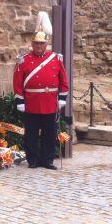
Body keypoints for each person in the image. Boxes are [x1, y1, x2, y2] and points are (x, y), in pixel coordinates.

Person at [13, 12, 69, 170]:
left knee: (49, 134)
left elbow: (63, 80)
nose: (39, 46)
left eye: (41, 44)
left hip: (50, 101)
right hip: (31, 102)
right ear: (32, 44)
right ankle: (33, 160)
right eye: (36, 44)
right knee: (31, 133)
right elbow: (17, 82)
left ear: (46, 44)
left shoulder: (55, 59)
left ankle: (47, 160)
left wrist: (62, 98)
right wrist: (20, 101)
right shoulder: (24, 60)